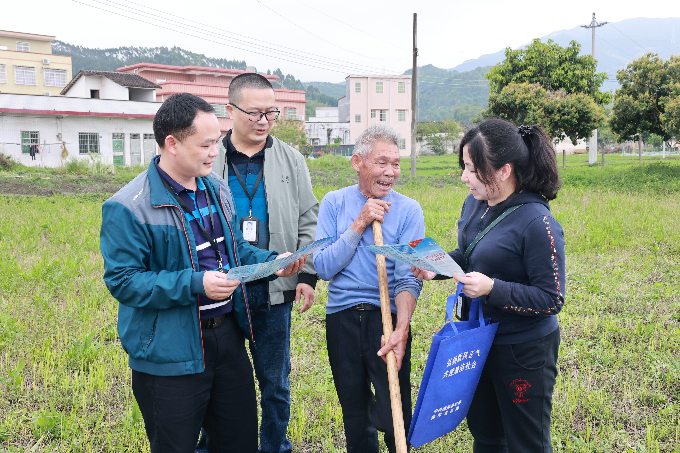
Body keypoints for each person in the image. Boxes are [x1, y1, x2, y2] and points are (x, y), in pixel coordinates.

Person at [100, 92, 307, 453]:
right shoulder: (129, 207)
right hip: (170, 352)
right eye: (207, 144)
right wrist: (197, 285)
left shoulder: (215, 188)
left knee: (238, 441)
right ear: (172, 143)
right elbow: (124, 281)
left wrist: (274, 263)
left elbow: (234, 250)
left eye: (216, 142)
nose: (216, 151)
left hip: (226, 339)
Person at [412, 118, 565, 452]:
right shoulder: (476, 204)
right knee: (485, 432)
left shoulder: (538, 224)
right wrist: (433, 267)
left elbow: (551, 298)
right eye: (464, 166)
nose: (464, 177)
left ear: (503, 171)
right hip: (478, 340)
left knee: (527, 441)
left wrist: (492, 288)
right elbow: (470, 255)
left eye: (472, 168)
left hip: (523, 350)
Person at [212, 73, 319, 453]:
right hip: (221, 291)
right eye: (254, 112)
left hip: (275, 289)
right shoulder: (210, 157)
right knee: (218, 381)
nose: (263, 121)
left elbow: (309, 219)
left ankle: (275, 447)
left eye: (270, 113)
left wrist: (306, 274)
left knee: (275, 383)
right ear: (230, 110)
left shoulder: (291, 159)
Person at [314, 123, 424, 453]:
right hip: (341, 317)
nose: (390, 172)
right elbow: (323, 267)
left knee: (395, 408)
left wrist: (401, 330)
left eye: (396, 163)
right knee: (355, 410)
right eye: (382, 163)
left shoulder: (408, 210)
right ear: (357, 162)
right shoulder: (334, 203)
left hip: (385, 319)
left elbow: (408, 277)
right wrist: (359, 222)